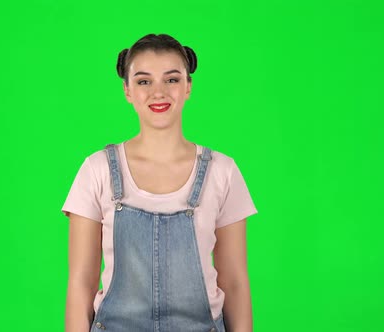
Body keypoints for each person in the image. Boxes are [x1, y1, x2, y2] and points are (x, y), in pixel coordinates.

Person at [62, 33, 258, 332]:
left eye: (172, 79)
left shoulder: (222, 171)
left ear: (188, 86)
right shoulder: (97, 169)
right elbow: (81, 282)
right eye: (143, 81)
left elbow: (234, 281)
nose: (158, 92)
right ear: (127, 90)